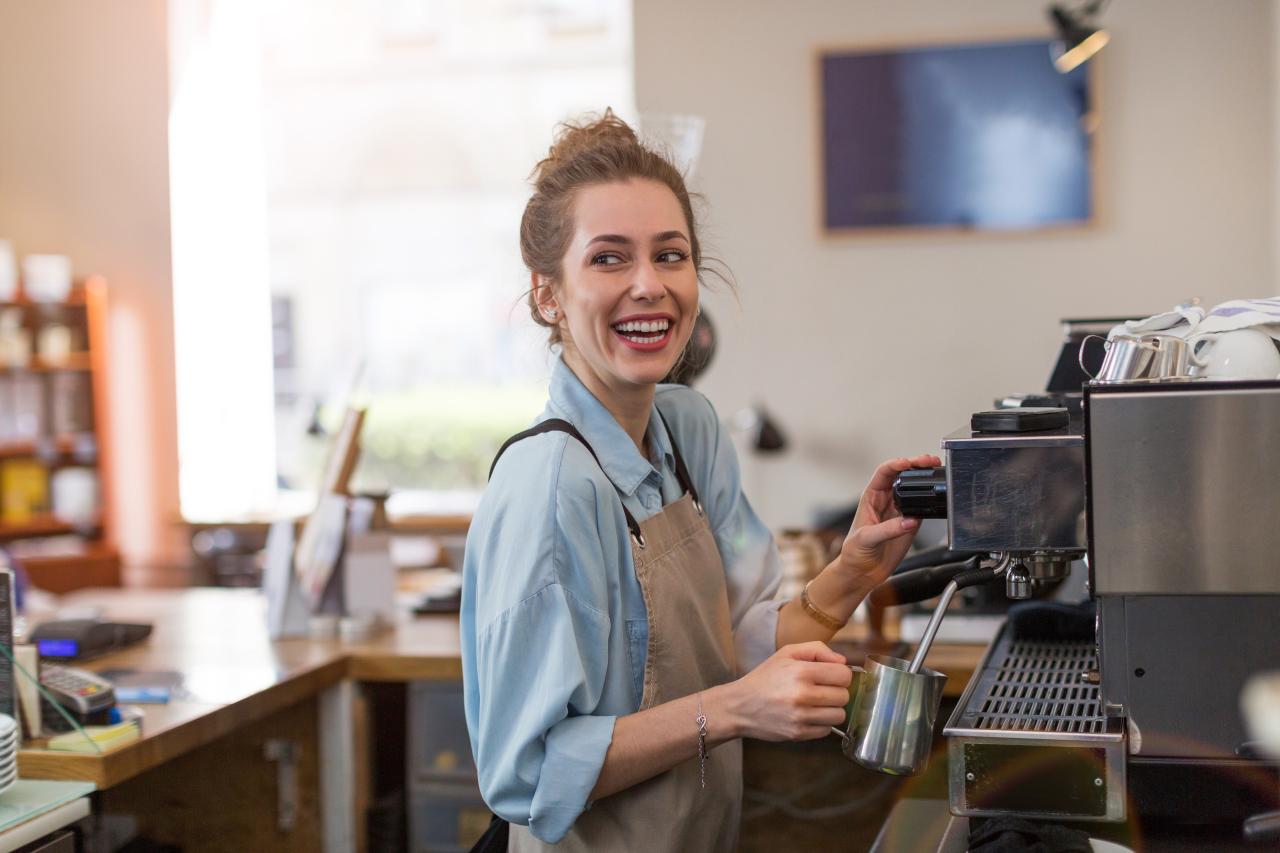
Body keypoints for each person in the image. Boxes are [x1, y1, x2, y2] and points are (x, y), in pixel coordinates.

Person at [460, 110, 939, 852]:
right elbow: (526, 772)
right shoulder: (548, 487)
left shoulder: (690, 430)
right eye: (609, 259)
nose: (649, 286)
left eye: (670, 255)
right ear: (548, 295)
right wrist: (736, 709)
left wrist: (855, 571)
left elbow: (744, 643)